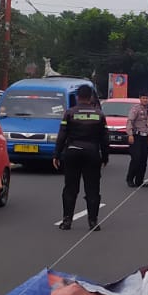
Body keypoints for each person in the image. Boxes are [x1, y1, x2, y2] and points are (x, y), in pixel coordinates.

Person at [53, 84, 108, 231]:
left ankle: (67, 221)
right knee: (92, 189)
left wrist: (56, 155)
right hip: (92, 153)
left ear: (77, 97)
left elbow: (62, 135)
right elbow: (104, 138)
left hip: (72, 152)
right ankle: (93, 222)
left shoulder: (69, 113)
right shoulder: (99, 115)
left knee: (70, 188)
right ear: (91, 97)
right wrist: (105, 157)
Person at [125, 93, 148, 188]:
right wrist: (130, 134)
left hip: (144, 137)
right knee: (136, 158)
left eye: (147, 98)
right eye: (143, 98)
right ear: (140, 99)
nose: (145, 100)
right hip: (136, 136)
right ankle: (130, 179)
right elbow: (130, 121)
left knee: (143, 160)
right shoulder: (136, 109)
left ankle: (139, 180)